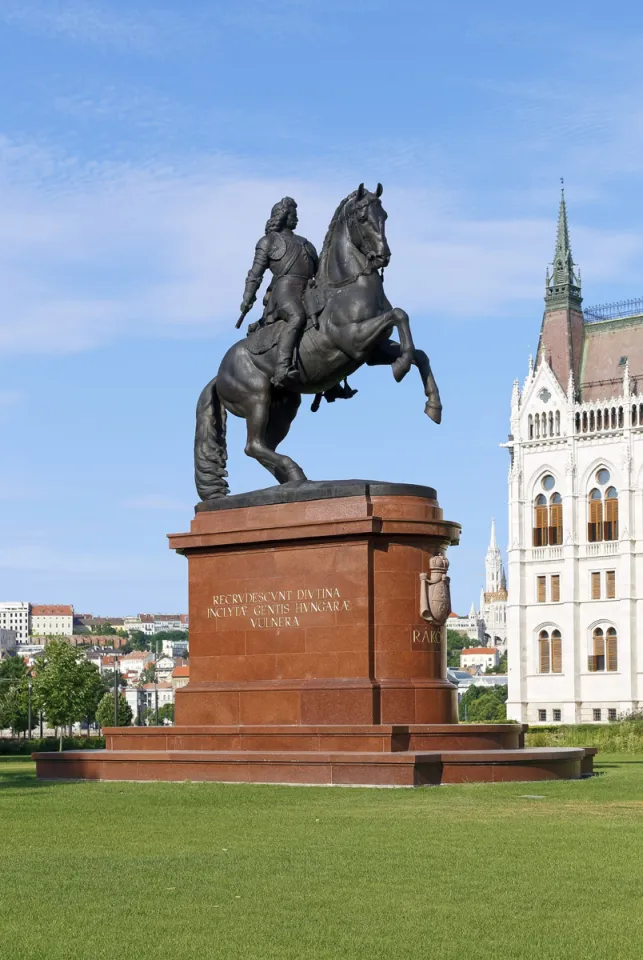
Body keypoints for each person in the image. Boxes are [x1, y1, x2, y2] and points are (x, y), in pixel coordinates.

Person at [239, 197, 318, 387]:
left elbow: (319, 270)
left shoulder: (306, 243)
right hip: (284, 292)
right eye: (293, 214)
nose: (296, 219)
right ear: (282, 216)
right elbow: (255, 274)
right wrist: (248, 297)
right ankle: (282, 368)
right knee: (297, 317)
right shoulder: (267, 242)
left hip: (308, 289)